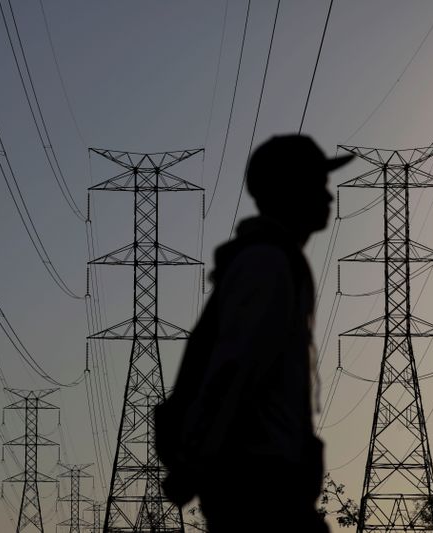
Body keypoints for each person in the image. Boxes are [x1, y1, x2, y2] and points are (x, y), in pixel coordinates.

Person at [172, 134, 352, 531]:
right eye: (317, 185)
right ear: (290, 190)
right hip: (258, 487)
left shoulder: (273, 260)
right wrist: (193, 461)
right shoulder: (266, 265)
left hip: (267, 484)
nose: (329, 197)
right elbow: (232, 370)